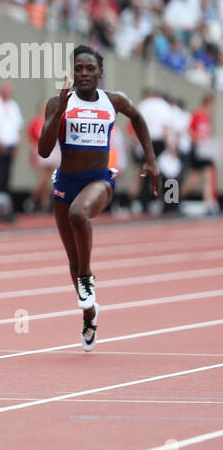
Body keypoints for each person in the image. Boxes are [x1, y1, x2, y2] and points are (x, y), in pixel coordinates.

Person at [37, 45, 159, 351]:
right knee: (73, 258)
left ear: (100, 72)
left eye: (90, 68)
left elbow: (139, 118)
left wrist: (151, 160)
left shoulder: (112, 101)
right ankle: (89, 313)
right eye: (79, 68)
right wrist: (60, 111)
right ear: (72, 72)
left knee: (79, 215)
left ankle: (88, 279)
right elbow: (43, 150)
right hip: (66, 181)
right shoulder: (58, 102)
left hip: (100, 180)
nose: (84, 73)